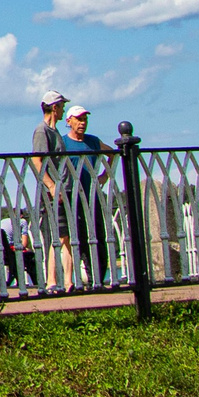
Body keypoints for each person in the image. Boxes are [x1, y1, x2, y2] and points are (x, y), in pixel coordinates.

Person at [55, 106, 113, 287]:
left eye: (85, 120)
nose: (82, 123)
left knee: (99, 236)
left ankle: (98, 278)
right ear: (69, 121)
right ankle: (79, 278)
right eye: (78, 119)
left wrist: (105, 175)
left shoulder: (93, 142)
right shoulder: (62, 143)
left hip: (92, 195)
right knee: (77, 237)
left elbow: (111, 153)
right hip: (72, 197)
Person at [30, 91, 70, 285]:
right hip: (53, 193)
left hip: (63, 190)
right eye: (62, 106)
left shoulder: (54, 131)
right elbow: (37, 161)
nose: (64, 111)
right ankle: (52, 281)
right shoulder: (42, 131)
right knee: (58, 236)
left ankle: (68, 281)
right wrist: (52, 186)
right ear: (55, 108)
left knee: (66, 237)